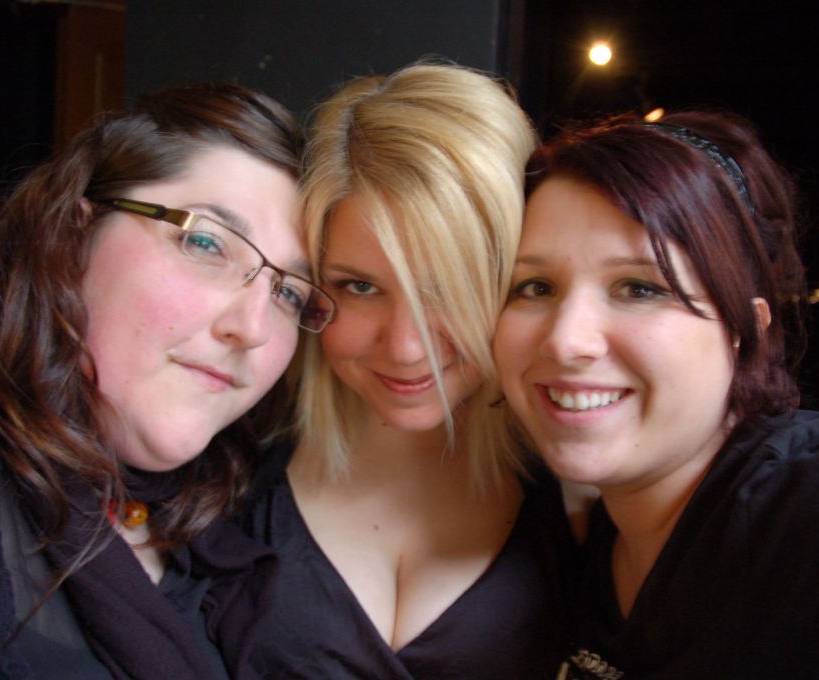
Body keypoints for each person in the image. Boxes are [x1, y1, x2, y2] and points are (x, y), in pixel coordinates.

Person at [0, 82, 335, 679]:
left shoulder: (235, 521)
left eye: (289, 292)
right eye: (206, 243)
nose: (253, 328)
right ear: (75, 233)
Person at [494, 110, 819, 679]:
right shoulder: (582, 541)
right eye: (535, 286)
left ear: (746, 330)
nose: (565, 340)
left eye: (639, 288)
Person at [242, 62, 573, 678]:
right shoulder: (224, 476)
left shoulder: (591, 496)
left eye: (446, 286)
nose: (405, 348)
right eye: (359, 286)